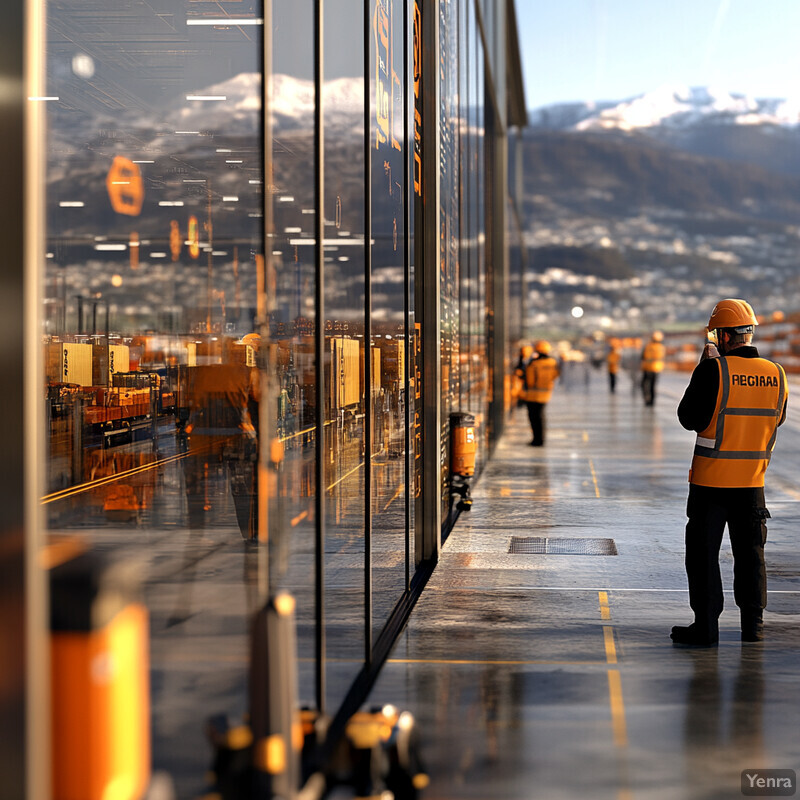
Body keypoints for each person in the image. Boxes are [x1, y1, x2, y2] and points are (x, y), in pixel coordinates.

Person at [672, 299, 788, 646]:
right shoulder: (776, 373)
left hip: (711, 484)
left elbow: (688, 418)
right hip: (753, 484)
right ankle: (753, 627)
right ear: (749, 333)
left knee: (704, 555)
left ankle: (706, 628)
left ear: (722, 336)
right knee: (752, 556)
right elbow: (777, 419)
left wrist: (702, 370)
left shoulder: (715, 370)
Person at [520, 340, 560, 446]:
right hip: (546, 393)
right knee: (541, 417)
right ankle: (541, 439)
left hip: (533, 395)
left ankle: (537, 440)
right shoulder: (552, 363)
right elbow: (555, 375)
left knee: (534, 418)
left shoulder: (534, 364)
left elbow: (529, 380)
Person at [641, 330, 665, 405]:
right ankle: (652, 401)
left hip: (648, 368)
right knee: (652, 385)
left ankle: (648, 400)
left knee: (644, 385)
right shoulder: (661, 347)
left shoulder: (648, 346)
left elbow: (642, 356)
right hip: (656, 368)